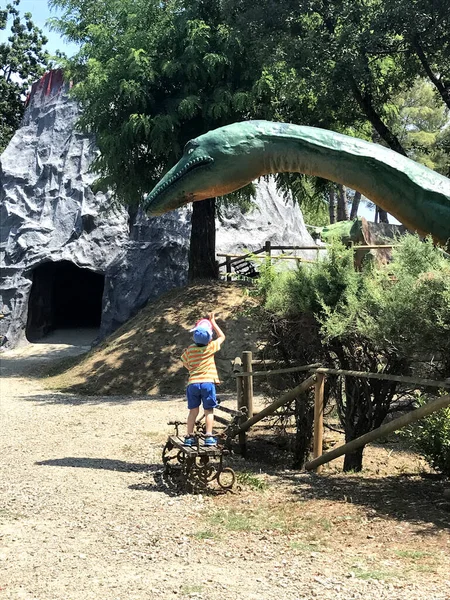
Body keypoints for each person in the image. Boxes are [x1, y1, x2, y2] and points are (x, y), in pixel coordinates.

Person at [180, 312, 226, 446]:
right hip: (207, 383)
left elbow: (185, 363)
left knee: (193, 411)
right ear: (210, 338)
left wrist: (192, 368)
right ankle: (209, 436)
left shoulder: (189, 350)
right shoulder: (211, 347)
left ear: (194, 337)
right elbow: (222, 337)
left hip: (193, 383)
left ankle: (189, 437)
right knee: (208, 411)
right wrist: (213, 322)